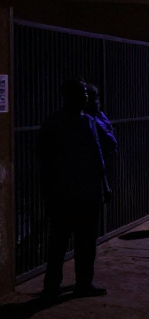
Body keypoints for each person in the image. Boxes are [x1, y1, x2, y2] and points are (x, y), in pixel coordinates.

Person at [37, 79, 117, 301]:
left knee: (79, 242)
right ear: (70, 96)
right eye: (82, 94)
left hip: (80, 191)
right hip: (71, 192)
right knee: (64, 242)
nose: (86, 98)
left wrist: (104, 185)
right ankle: (61, 285)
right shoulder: (63, 123)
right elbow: (47, 161)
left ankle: (73, 283)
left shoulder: (82, 121)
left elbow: (97, 154)